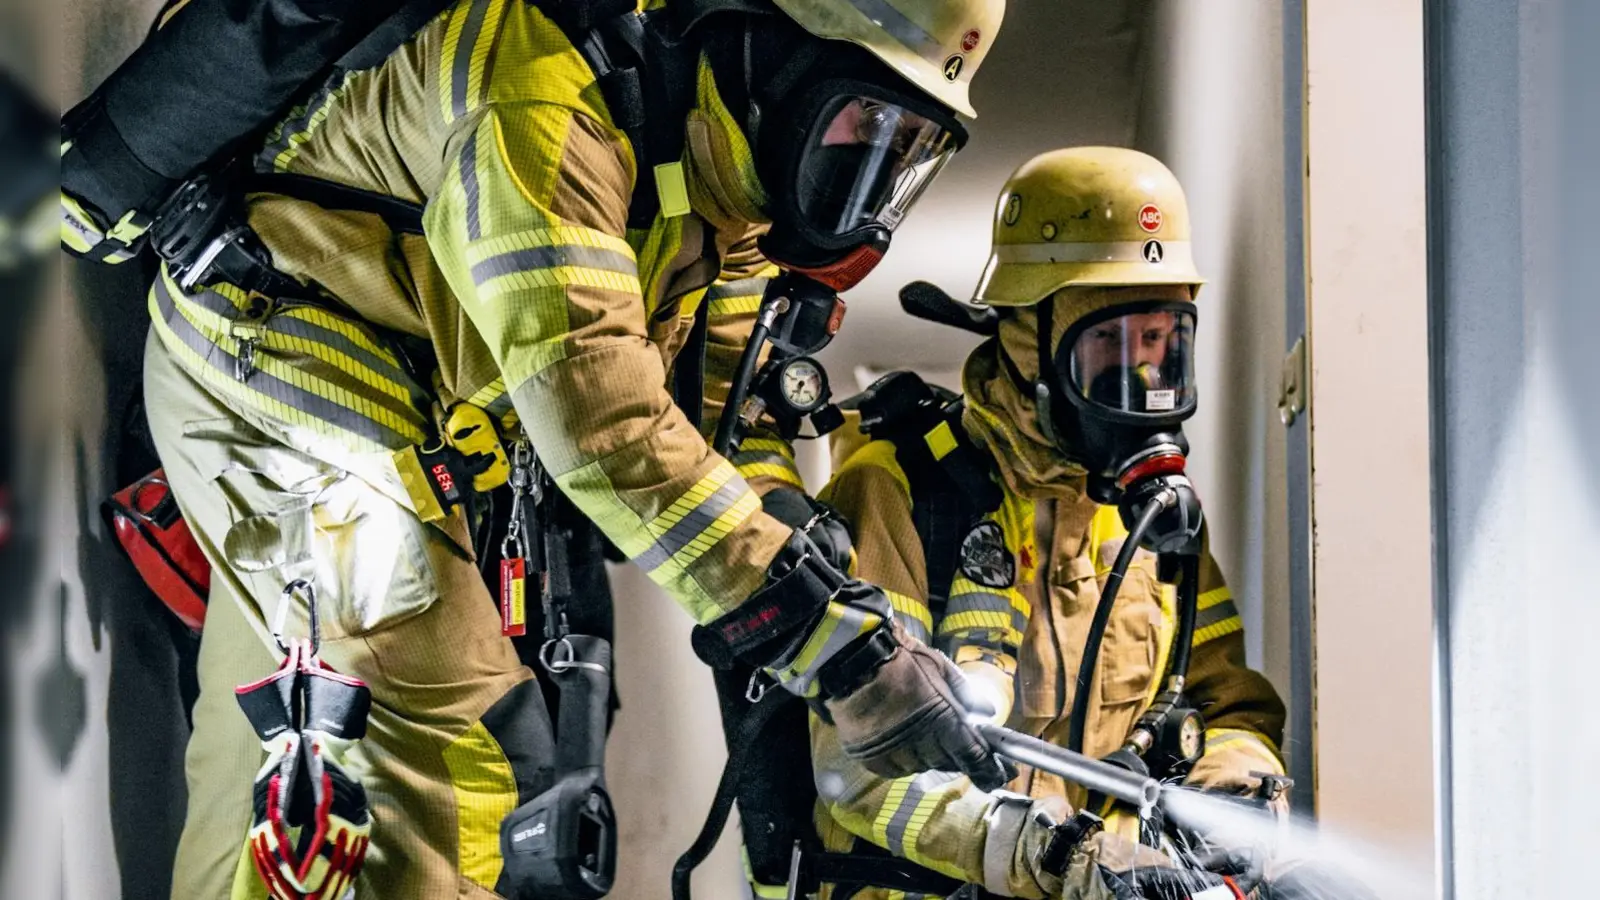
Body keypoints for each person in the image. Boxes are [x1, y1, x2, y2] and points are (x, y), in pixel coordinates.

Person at [66, 1, 1014, 897]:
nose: (867, 175)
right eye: (864, 125)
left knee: (284, 751)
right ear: (779, 52)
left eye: (906, 151)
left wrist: (800, 543)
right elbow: (600, 417)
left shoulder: (716, 184)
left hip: (374, 406)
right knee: (449, 742)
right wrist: (839, 651)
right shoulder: (546, 96)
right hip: (281, 368)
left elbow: (719, 412)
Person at [809, 146, 1288, 899]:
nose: (1140, 380)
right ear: (1028, 341)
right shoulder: (895, 490)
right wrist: (1056, 860)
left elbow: (1227, 702)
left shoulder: (1150, 517)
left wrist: (1232, 794)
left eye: (1161, 344)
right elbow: (864, 771)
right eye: (1109, 345)